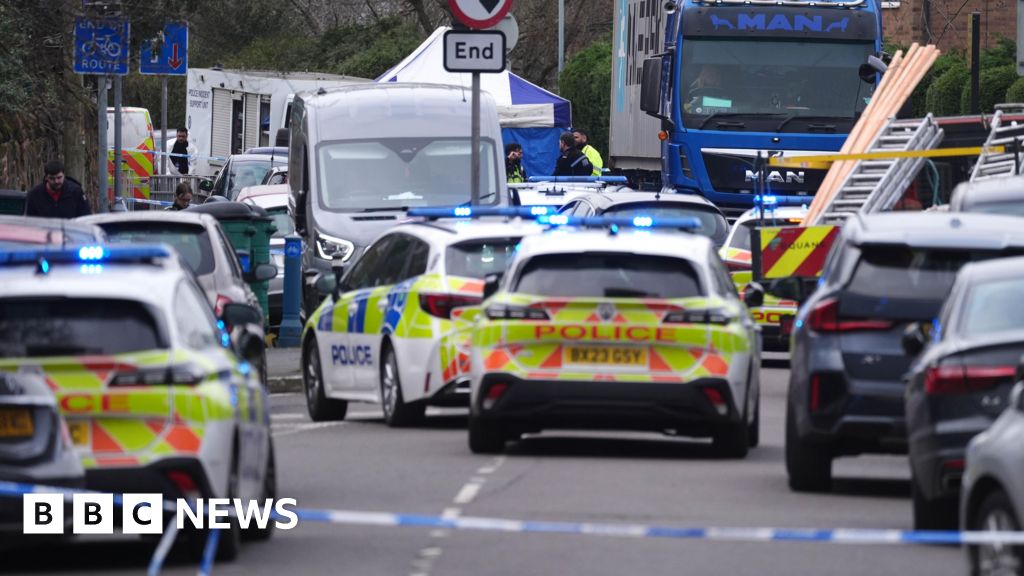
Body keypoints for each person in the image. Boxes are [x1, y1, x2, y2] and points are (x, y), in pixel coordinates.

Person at [25, 160, 91, 218]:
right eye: (52, 178)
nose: (56, 181)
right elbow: (29, 220)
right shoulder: (35, 195)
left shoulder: (75, 192)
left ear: (64, 175)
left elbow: (86, 217)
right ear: (46, 178)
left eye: (59, 177)